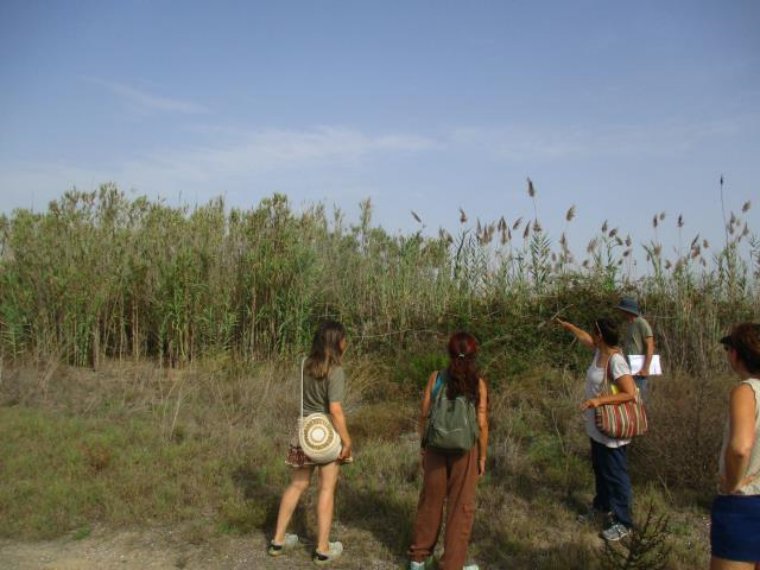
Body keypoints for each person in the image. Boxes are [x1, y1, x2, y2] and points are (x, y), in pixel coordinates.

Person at [268, 320, 353, 565]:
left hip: (304, 433)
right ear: (337, 342)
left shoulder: (304, 365)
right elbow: (335, 410)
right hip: (326, 436)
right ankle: (322, 549)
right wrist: (347, 441)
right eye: (344, 339)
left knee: (296, 485)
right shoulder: (336, 371)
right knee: (326, 489)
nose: (346, 343)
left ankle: (278, 540)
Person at [407, 332, 489, 570]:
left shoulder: (436, 378)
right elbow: (482, 423)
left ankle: (418, 559)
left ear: (449, 353)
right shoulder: (478, 383)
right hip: (466, 451)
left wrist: (423, 448)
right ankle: (452, 564)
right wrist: (482, 456)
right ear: (474, 355)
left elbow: (424, 414)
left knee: (430, 503)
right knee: (460, 508)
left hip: (434, 447)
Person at [556, 317, 636, 541]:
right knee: (600, 470)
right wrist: (570, 327)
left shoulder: (615, 360)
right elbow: (585, 338)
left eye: (594, 332)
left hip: (611, 429)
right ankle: (601, 507)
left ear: (601, 336)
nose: (591, 335)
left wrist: (599, 402)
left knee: (616, 475)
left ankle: (624, 521)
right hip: (597, 427)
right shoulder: (599, 351)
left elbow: (629, 392)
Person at [711, 323, 760, 570]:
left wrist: (732, 484)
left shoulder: (746, 390)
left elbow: (740, 448)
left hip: (746, 505)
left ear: (736, 354)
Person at [616, 297, 655, 401]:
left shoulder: (641, 323)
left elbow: (650, 346)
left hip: (639, 370)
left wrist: (646, 368)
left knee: (640, 399)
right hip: (630, 368)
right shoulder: (630, 324)